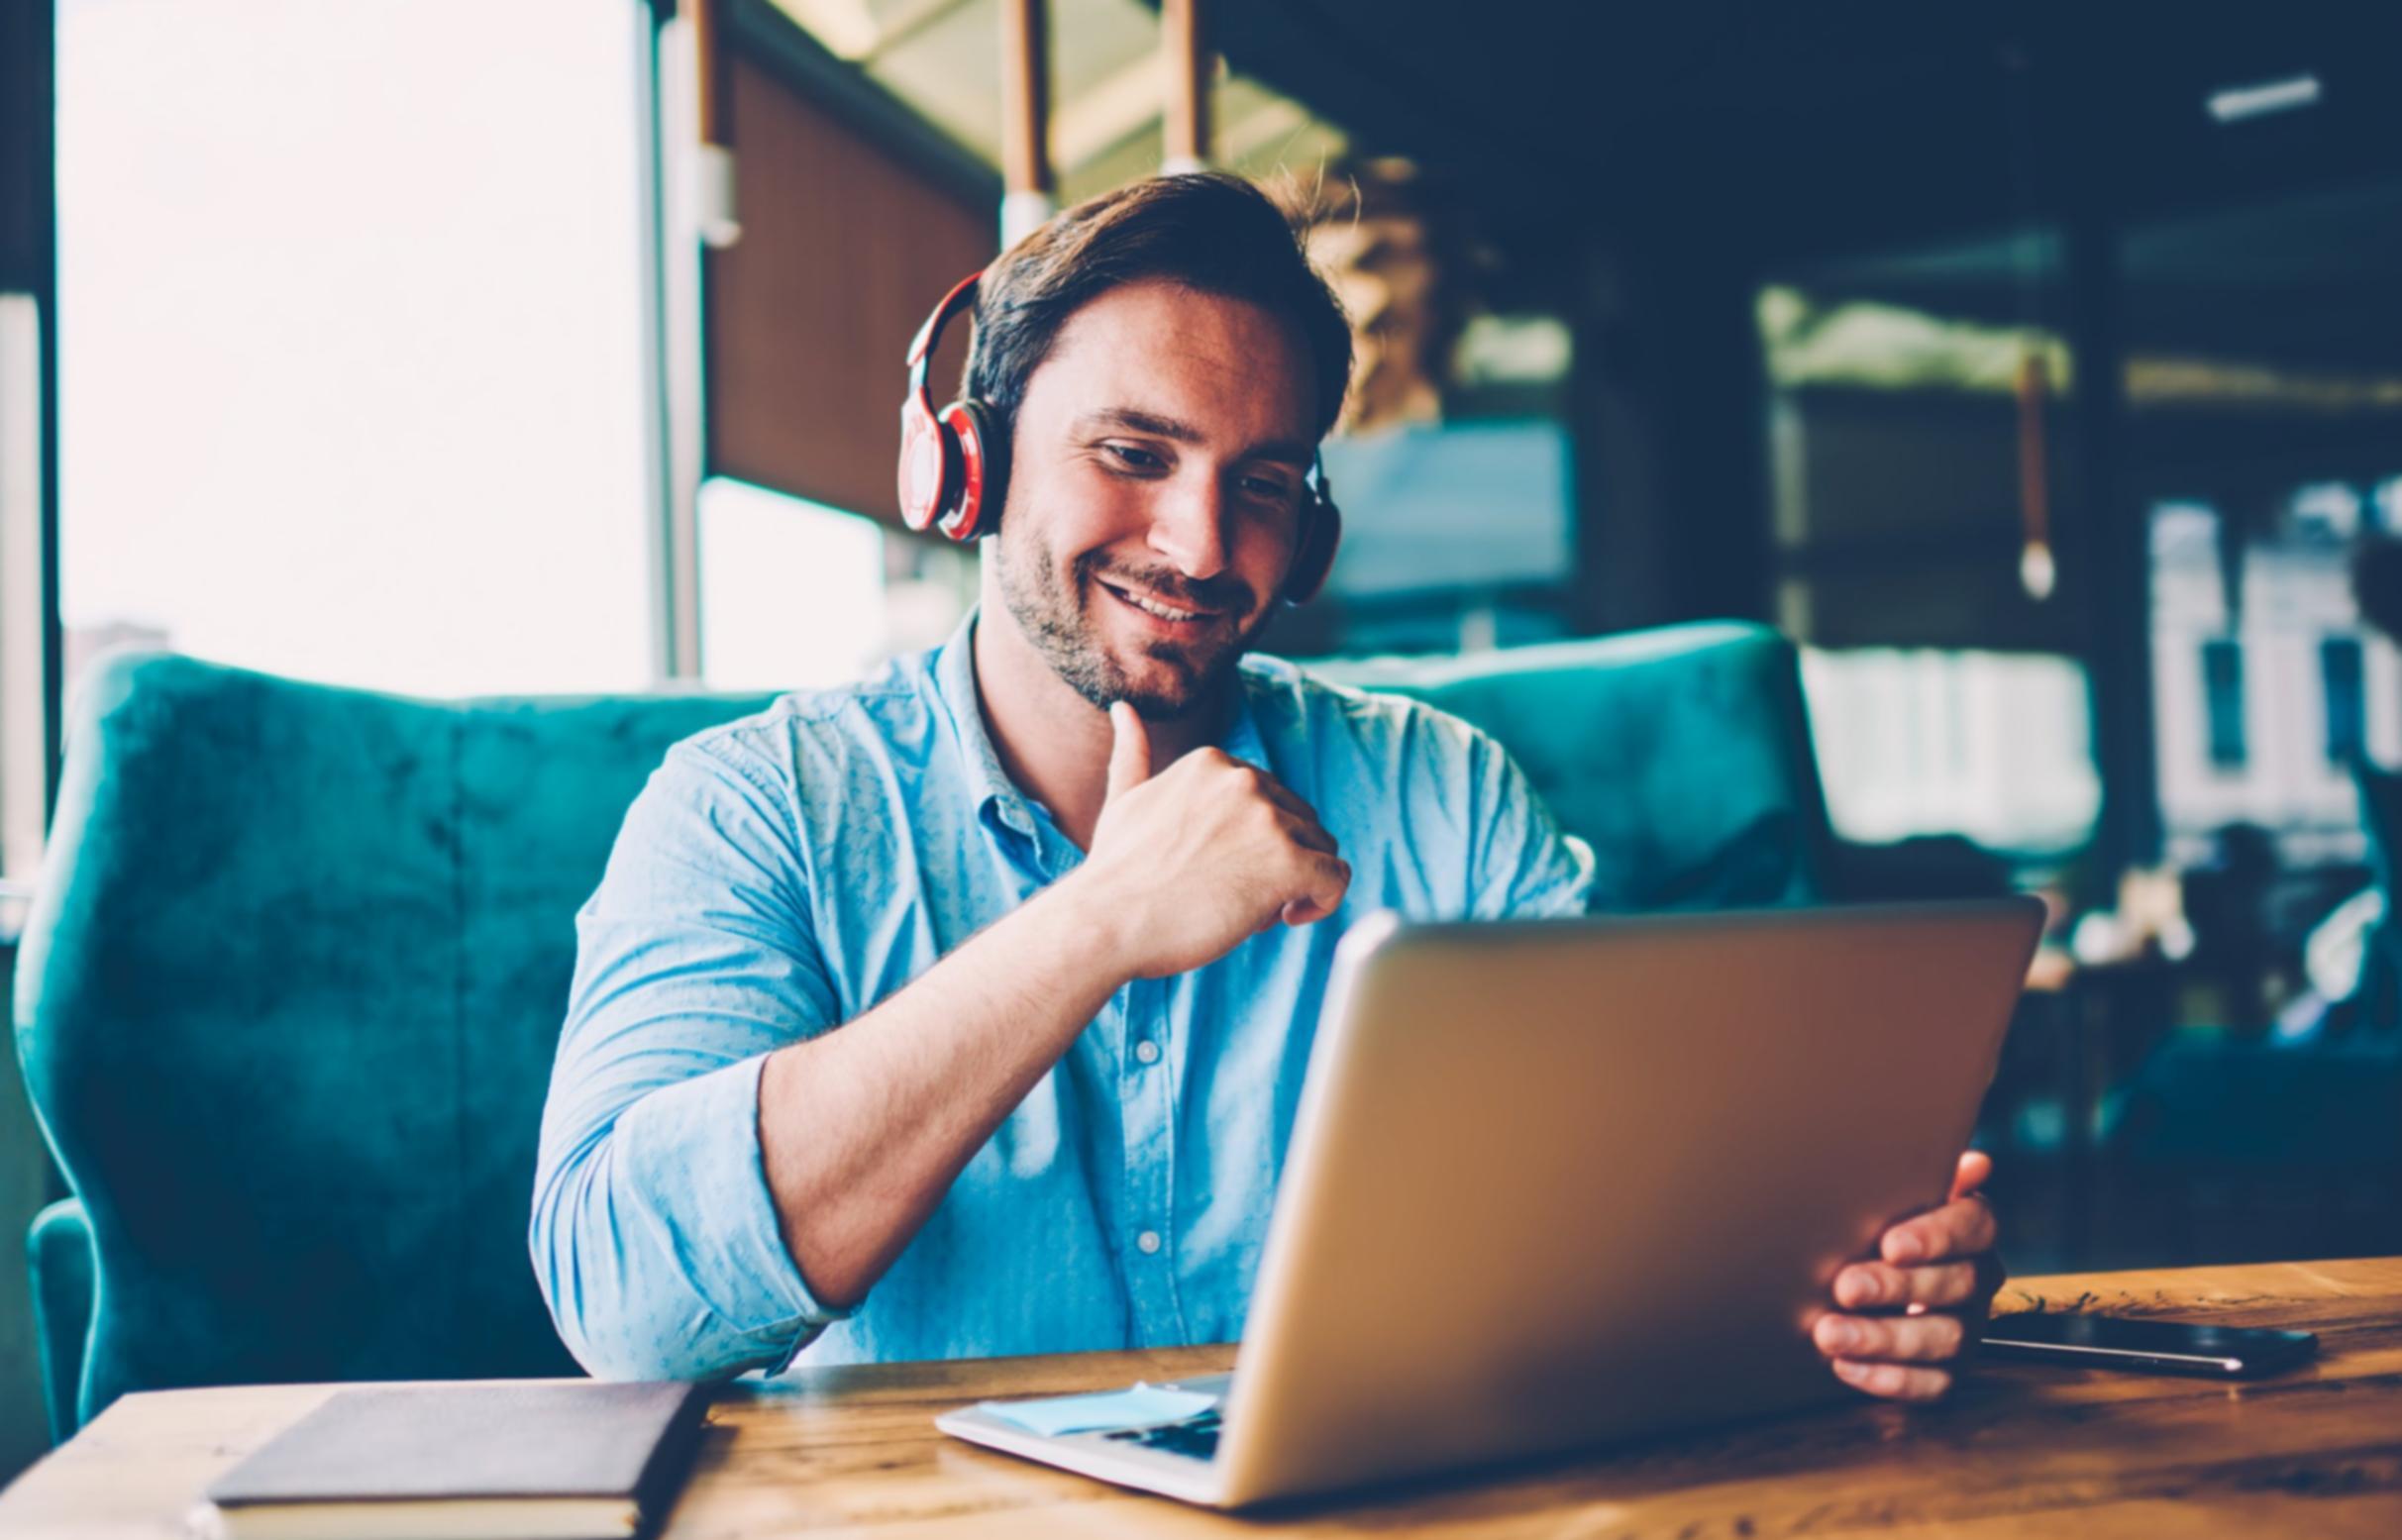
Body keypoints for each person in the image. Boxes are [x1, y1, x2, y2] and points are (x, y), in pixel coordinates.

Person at [530, 171, 1998, 1403]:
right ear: (965, 465)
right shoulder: (753, 808)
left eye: (1263, 484)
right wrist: (1095, 923)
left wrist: (1848, 1278)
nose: (1199, 544)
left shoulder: (1442, 797)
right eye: (1131, 453)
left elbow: (1622, 1225)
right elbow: (629, 1312)